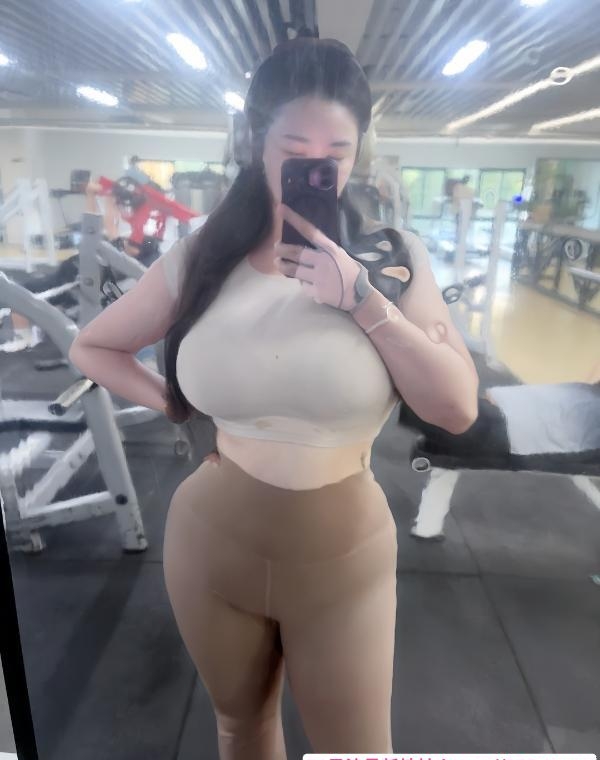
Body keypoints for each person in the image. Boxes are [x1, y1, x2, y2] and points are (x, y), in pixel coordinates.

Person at [68, 36, 478, 757]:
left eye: (336, 152)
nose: (317, 167)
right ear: (255, 143)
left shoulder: (393, 258)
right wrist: (177, 407)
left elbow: (456, 409)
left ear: (358, 153)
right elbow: (92, 347)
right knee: (241, 728)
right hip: (209, 542)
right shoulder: (203, 255)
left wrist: (364, 302)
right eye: (294, 148)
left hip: (343, 561)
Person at [452, 174, 474, 242]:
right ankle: (458, 238)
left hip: (462, 210)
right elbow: (456, 197)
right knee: (459, 224)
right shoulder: (458, 187)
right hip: (460, 210)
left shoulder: (467, 189)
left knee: (460, 225)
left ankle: (459, 238)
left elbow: (470, 198)